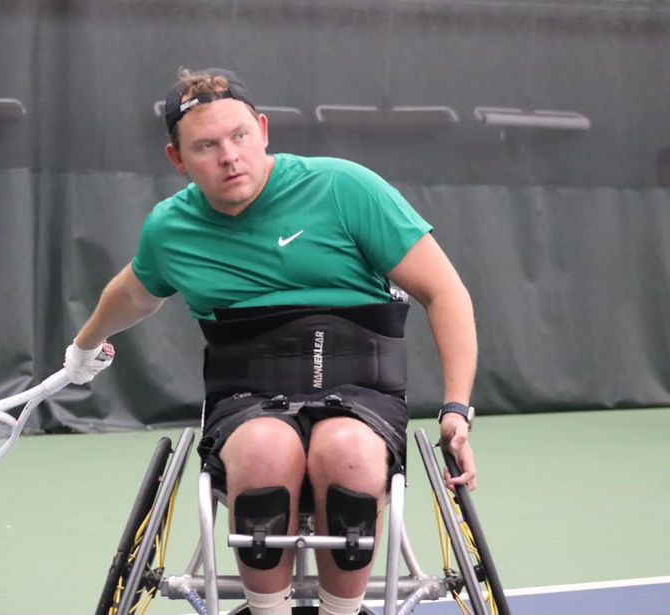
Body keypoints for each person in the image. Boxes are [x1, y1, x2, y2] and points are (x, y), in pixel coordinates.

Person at [64, 68, 478, 615]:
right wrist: (84, 347)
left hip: (363, 392)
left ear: (262, 130)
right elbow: (133, 294)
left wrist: (455, 409)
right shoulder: (170, 230)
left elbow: (445, 291)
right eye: (206, 146)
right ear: (178, 160)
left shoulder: (344, 187)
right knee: (265, 450)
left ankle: (339, 613)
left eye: (238, 136)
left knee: (347, 451)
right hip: (247, 401)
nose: (229, 156)